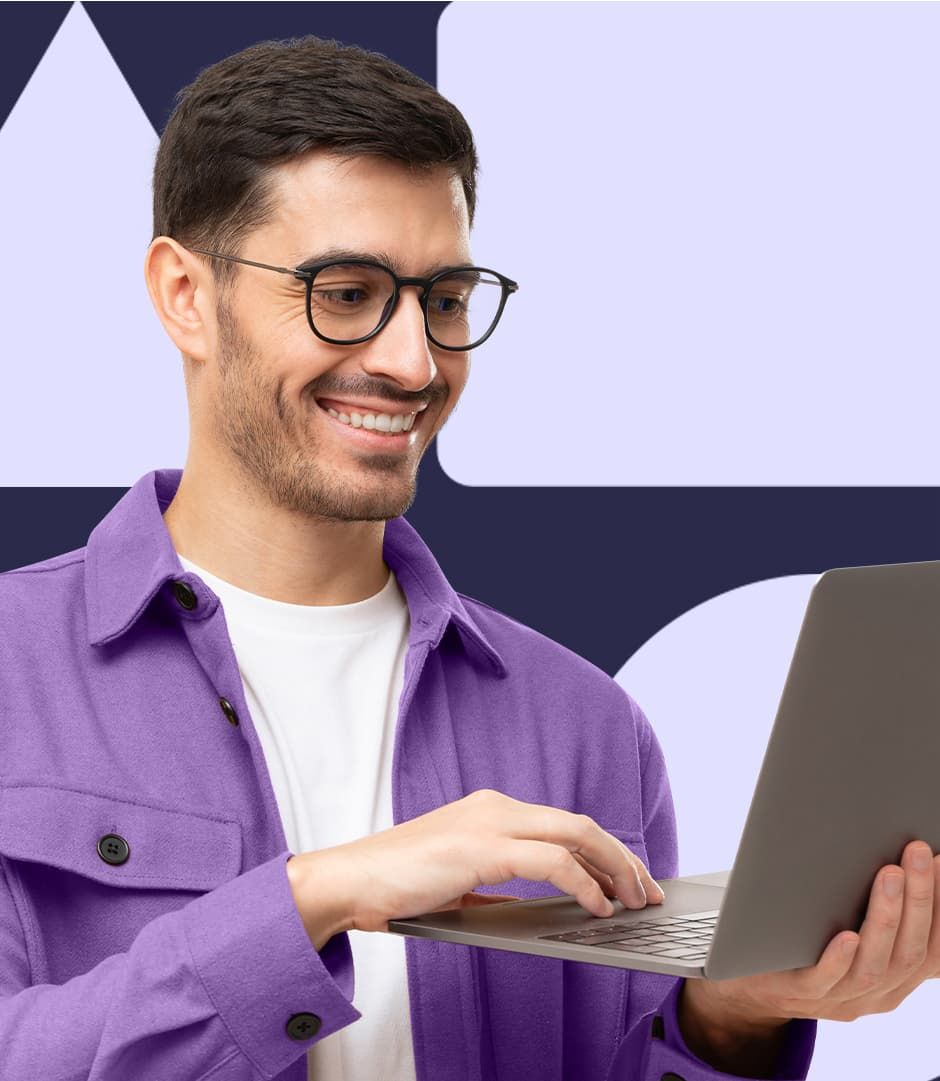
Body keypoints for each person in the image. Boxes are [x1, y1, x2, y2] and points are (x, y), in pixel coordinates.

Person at [0, 33, 936, 1081]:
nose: (412, 362)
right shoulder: (10, 673)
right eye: (346, 292)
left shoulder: (583, 728)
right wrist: (316, 894)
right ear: (184, 294)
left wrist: (730, 1019)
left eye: (442, 301)